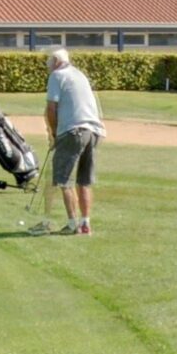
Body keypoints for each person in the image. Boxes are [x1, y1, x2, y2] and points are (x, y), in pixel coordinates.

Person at [29, 48, 106, 236]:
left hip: (73, 131)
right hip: (94, 132)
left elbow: (51, 108)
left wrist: (55, 134)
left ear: (56, 61)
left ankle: (72, 224)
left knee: (64, 180)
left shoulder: (57, 76)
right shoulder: (80, 75)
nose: (48, 66)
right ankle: (85, 223)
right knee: (84, 181)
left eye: (49, 62)